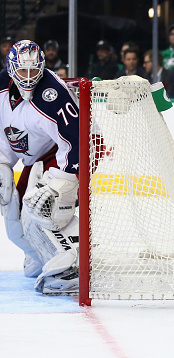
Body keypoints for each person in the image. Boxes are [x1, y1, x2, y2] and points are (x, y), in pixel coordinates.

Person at [0, 40, 80, 294]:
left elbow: (77, 138)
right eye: (22, 71)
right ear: (11, 69)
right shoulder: (1, 88)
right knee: (14, 216)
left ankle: (70, 269)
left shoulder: (52, 93)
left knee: (41, 208)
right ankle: (44, 255)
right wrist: (2, 163)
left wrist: (64, 181)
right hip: (36, 159)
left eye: (34, 70)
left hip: (65, 154)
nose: (28, 77)